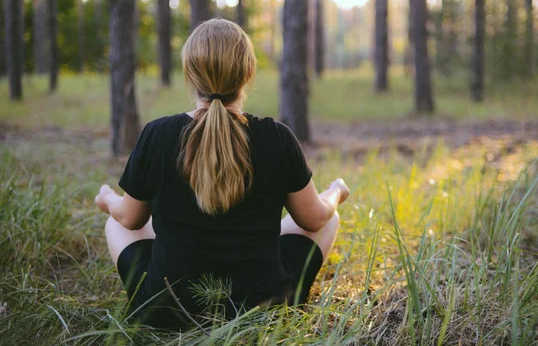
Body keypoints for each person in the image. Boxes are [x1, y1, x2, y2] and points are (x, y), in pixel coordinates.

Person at [95, 19, 350, 329]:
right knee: (330, 217)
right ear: (248, 74)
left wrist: (107, 198)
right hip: (263, 309)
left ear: (190, 75)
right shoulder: (277, 137)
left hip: (166, 311)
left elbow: (130, 219)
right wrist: (335, 192)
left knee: (117, 220)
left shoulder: (158, 135)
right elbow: (315, 220)